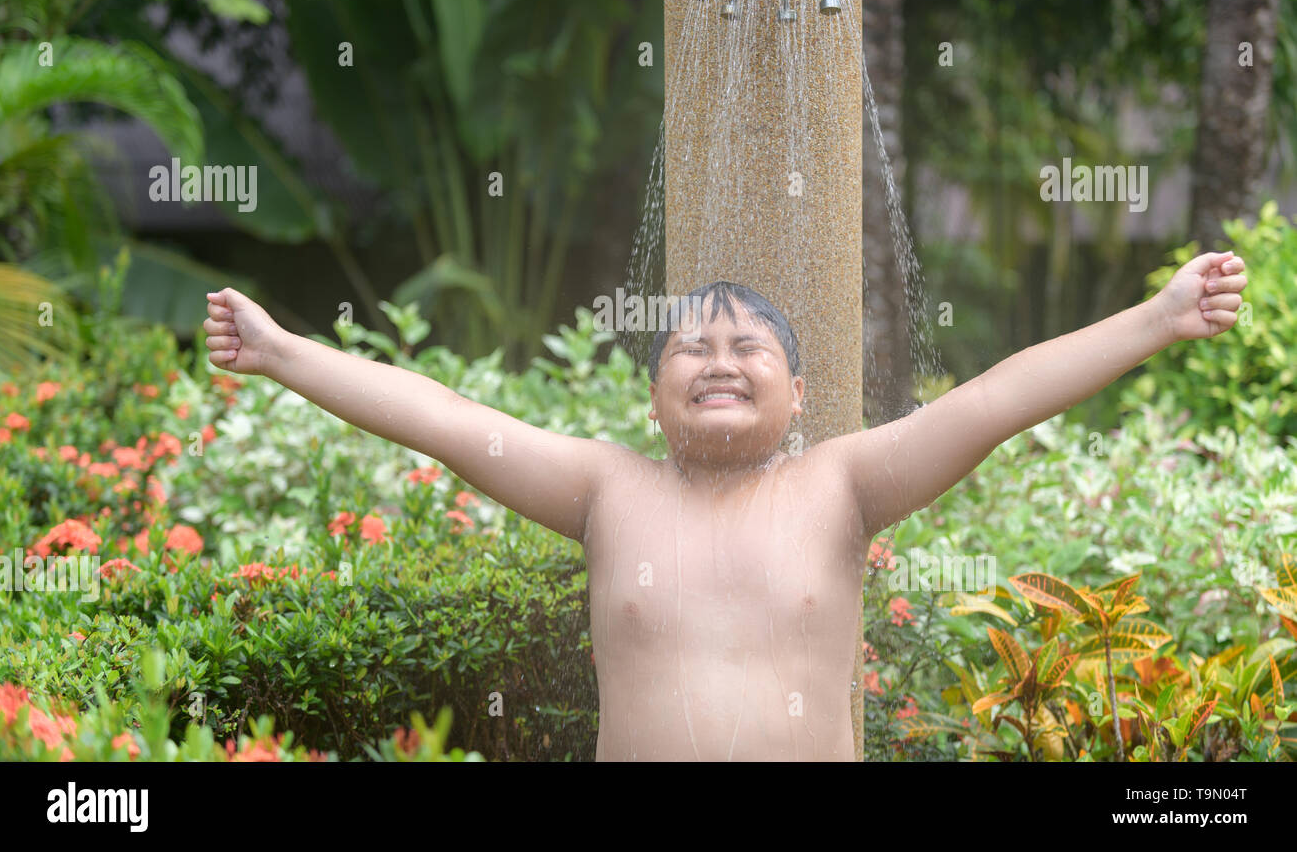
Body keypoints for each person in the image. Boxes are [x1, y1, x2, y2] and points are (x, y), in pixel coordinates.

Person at [203, 249, 1248, 760]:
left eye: (749, 346)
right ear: (652, 393)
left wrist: (1156, 319)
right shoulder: (605, 488)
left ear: (798, 394)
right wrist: (283, 352)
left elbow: (991, 401)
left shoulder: (840, 485)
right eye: (688, 347)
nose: (717, 359)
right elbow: (437, 413)